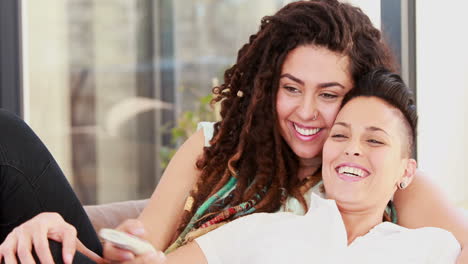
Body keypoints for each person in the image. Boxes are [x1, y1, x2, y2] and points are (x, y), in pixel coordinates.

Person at [0, 0, 467, 263]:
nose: (305, 112)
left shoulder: (387, 176)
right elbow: (129, 252)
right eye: (291, 87)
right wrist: (63, 228)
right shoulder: (213, 148)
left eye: (329, 94)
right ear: (269, 86)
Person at [126, 69, 460, 264]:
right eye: (340, 135)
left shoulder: (434, 248)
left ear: (407, 171)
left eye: (375, 141)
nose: (352, 150)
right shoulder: (259, 230)